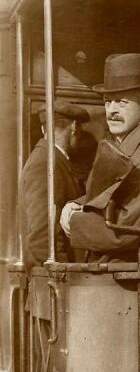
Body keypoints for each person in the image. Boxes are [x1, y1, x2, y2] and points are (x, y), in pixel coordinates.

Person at [60, 53, 140, 261]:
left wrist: (74, 220)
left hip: (139, 280)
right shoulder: (134, 144)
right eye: (108, 101)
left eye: (121, 102)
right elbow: (114, 194)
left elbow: (127, 230)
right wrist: (77, 204)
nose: (111, 111)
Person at [19, 99, 89, 270]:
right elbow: (43, 236)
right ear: (73, 127)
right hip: (54, 283)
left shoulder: (52, 160)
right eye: (79, 129)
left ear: (44, 129)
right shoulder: (46, 163)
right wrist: (65, 279)